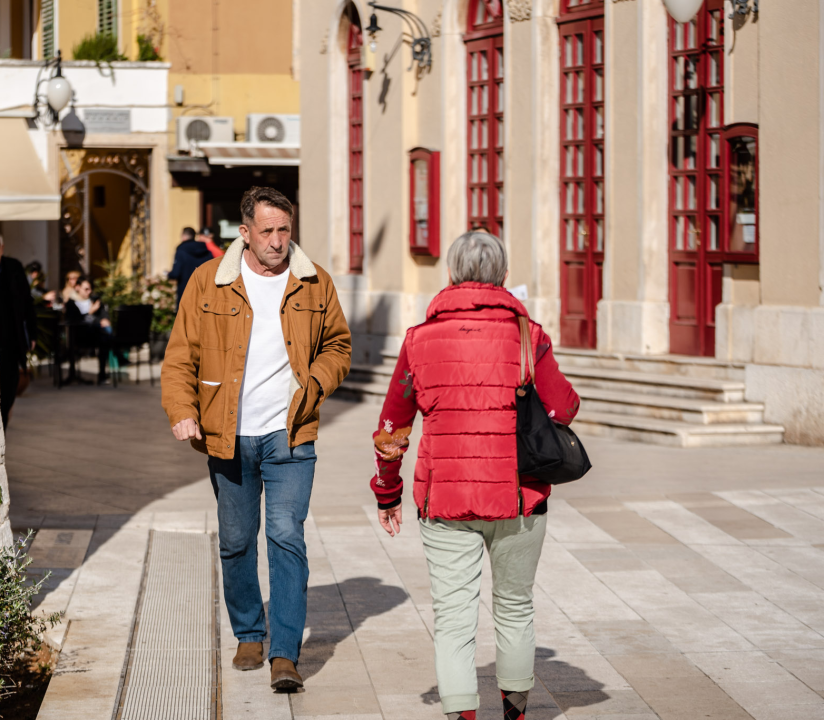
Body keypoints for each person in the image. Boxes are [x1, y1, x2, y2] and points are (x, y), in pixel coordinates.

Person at [368, 231, 579, 720]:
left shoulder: (419, 340)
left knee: (454, 617)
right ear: (503, 277)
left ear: (452, 275)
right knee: (515, 604)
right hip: (520, 495)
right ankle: (515, 710)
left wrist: (388, 490)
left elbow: (392, 426)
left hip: (446, 498)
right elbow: (564, 405)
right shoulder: (530, 335)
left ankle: (462, 713)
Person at [161, 187, 351, 690]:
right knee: (237, 541)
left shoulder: (313, 283)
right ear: (243, 232)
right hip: (227, 435)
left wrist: (314, 384)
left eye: (284, 230)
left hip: (290, 433)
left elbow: (338, 346)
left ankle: (285, 653)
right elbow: (180, 355)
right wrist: (183, 411)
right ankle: (249, 632)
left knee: (286, 535)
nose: (276, 241)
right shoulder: (208, 281)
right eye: (266, 231)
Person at [0, 230, 37, 428]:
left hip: (11, 342)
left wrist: (32, 333)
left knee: (9, 393)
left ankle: (2, 431)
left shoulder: (14, 268)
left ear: (2, 248)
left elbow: (28, 303)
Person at [64, 277, 112, 385]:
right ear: (77, 288)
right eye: (86, 289)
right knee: (104, 333)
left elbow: (103, 314)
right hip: (79, 336)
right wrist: (90, 313)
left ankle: (102, 375)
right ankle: (119, 355)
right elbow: (75, 321)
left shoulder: (94, 300)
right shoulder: (71, 303)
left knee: (105, 335)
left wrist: (105, 319)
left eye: (90, 289)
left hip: (95, 335)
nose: (89, 292)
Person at [167, 226, 215, 309]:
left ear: (183, 236)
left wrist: (168, 274)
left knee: (184, 319)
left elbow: (175, 273)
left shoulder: (181, 250)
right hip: (203, 291)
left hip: (185, 291)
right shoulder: (206, 251)